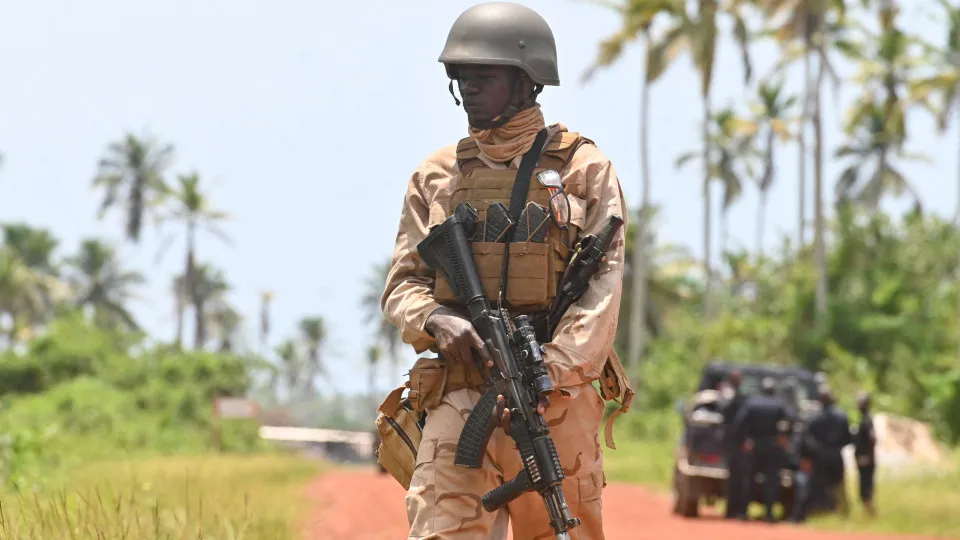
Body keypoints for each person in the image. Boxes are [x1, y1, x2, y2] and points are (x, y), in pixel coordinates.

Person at [380, 3, 631, 538]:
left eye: (484, 77)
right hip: (460, 388)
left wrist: (548, 371)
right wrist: (436, 321)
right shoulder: (436, 176)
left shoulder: (584, 170)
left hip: (553, 398)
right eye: (460, 78)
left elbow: (600, 298)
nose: (468, 89)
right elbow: (403, 285)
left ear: (526, 82)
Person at [734, 376, 790, 523]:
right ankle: (769, 514)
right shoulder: (779, 404)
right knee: (771, 481)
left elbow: (739, 423)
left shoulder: (752, 403)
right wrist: (783, 436)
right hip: (772, 446)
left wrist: (744, 441)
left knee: (748, 479)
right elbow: (792, 419)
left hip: (754, 446)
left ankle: (743, 512)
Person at [804, 385, 853, 517]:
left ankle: (820, 511)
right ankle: (842, 512)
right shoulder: (842, 417)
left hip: (820, 456)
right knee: (838, 485)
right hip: (836, 455)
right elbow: (848, 439)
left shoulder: (813, 418)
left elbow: (806, 438)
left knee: (819, 484)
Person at [720, 370, 748, 520]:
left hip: (739, 443)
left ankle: (738, 511)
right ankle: (732, 510)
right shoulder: (728, 396)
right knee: (735, 479)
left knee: (740, 479)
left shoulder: (740, 397)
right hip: (733, 442)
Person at [854, 390, 877, 516]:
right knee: (864, 489)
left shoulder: (867, 419)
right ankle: (868, 513)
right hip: (865, 459)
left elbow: (872, 439)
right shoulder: (864, 418)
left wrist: (867, 457)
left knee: (866, 489)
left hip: (866, 461)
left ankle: (871, 514)